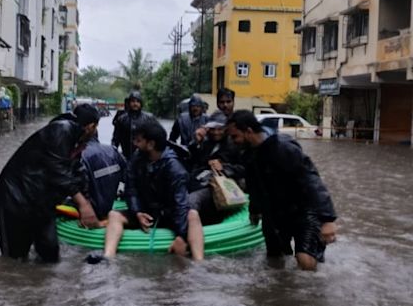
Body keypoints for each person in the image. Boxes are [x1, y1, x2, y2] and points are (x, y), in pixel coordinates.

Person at [226, 110, 337, 270]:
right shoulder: (248, 154)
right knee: (274, 260)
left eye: (235, 136)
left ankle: (309, 292)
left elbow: (311, 179)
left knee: (304, 259)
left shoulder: (282, 147)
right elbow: (254, 185)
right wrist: (254, 210)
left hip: (304, 210)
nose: (232, 141)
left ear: (249, 131)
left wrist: (327, 219)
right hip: (274, 213)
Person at [0, 104, 100, 263]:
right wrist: (82, 204)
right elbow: (58, 170)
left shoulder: (77, 140)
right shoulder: (62, 130)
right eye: (96, 127)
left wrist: (88, 205)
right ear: (91, 126)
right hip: (15, 198)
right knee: (13, 261)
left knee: (50, 255)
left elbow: (76, 172)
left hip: (42, 203)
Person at [88, 121, 204, 263]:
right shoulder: (137, 159)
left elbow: (180, 203)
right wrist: (137, 212)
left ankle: (199, 263)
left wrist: (181, 237)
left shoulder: (174, 168)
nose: (134, 143)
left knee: (192, 214)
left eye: (138, 140)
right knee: (113, 215)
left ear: (150, 144)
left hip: (169, 213)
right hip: (146, 212)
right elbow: (131, 189)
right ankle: (108, 256)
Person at [187, 114, 245, 224]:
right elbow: (193, 160)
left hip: (224, 183)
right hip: (203, 179)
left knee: (194, 199)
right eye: (213, 129)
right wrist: (196, 142)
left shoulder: (235, 142)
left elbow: (244, 168)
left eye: (220, 129)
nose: (216, 132)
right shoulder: (207, 141)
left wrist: (224, 167)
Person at [78, 137, 127, 226]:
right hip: (107, 208)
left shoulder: (79, 154)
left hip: (87, 211)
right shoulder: (113, 150)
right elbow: (128, 177)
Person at [111, 90, 154, 159]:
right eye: (133, 101)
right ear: (129, 103)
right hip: (126, 156)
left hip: (144, 157)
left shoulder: (149, 118)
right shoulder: (122, 119)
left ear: (141, 103)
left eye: (137, 101)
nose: (135, 104)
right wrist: (113, 154)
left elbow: (156, 137)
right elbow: (115, 139)